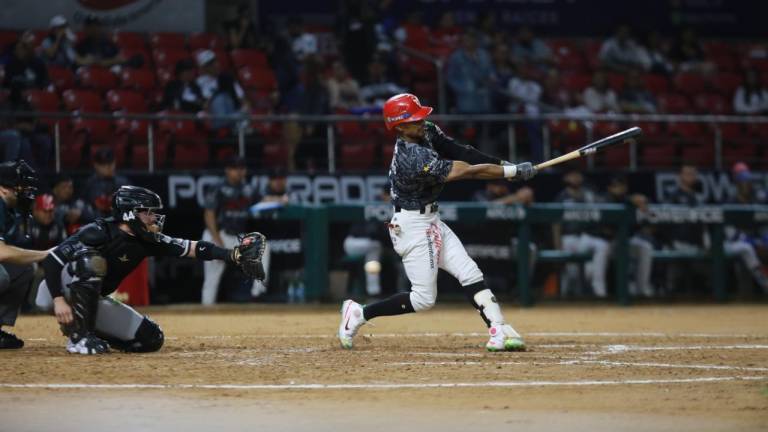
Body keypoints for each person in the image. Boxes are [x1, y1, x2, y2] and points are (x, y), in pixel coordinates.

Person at [338, 93, 537, 352]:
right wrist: (511, 173)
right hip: (412, 226)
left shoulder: (426, 131)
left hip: (431, 218)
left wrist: (505, 165)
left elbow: (462, 152)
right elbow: (466, 170)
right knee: (423, 299)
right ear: (400, 126)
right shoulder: (413, 158)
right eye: (414, 119)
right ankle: (359, 313)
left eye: (421, 116)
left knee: (470, 272)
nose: (422, 122)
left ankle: (498, 330)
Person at [35, 185, 266, 354]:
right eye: (148, 211)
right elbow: (52, 260)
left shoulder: (148, 239)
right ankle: (79, 338)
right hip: (55, 291)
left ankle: (84, 328)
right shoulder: (98, 231)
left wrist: (232, 255)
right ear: (130, 213)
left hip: (92, 299)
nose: (154, 217)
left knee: (150, 339)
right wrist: (58, 300)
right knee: (91, 261)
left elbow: (193, 248)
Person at [201, 157, 265, 304]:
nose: (239, 172)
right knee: (212, 278)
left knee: (263, 248)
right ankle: (206, 310)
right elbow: (209, 214)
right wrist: (217, 240)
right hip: (216, 234)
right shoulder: (217, 188)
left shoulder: (248, 188)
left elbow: (263, 200)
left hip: (237, 237)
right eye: (235, 168)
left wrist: (280, 200)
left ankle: (257, 293)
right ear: (227, 170)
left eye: (242, 168)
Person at [0, 161, 50, 349]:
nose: (26, 192)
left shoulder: (7, 208)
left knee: (22, 269)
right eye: (21, 187)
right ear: (4, 188)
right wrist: (44, 254)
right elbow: (1, 252)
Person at [552, 170, 611, 297]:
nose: (576, 178)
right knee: (572, 275)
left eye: (578, 175)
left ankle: (598, 287)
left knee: (603, 246)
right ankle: (566, 299)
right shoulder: (562, 197)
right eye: (572, 175)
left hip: (586, 237)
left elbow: (605, 205)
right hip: (568, 238)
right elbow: (556, 224)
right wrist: (558, 246)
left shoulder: (589, 195)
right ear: (566, 177)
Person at [604, 176, 656, 297]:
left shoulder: (629, 201)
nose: (620, 189)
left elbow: (649, 216)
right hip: (606, 243)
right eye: (616, 186)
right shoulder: (604, 200)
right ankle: (600, 293)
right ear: (609, 188)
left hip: (625, 243)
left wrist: (643, 204)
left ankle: (642, 290)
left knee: (645, 248)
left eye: (622, 186)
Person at [446, 31, 494, 114]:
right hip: (465, 98)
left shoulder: (484, 55)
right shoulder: (456, 57)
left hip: (483, 97)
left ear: (475, 40)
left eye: (470, 39)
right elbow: (450, 77)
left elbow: (491, 71)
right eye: (465, 40)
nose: (468, 42)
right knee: (468, 123)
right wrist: (461, 89)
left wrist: (491, 79)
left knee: (485, 120)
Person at [2, 31, 49, 108]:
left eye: (24, 47)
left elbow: (44, 84)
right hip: (14, 101)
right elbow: (6, 86)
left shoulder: (39, 64)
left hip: (34, 98)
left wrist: (33, 92)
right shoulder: (10, 65)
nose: (20, 50)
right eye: (19, 48)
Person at [82, 148, 129, 218]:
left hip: (118, 222)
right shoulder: (89, 183)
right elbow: (82, 206)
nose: (108, 167)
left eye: (110, 163)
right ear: (96, 165)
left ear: (114, 162)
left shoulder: (123, 183)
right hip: (95, 222)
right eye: (103, 164)